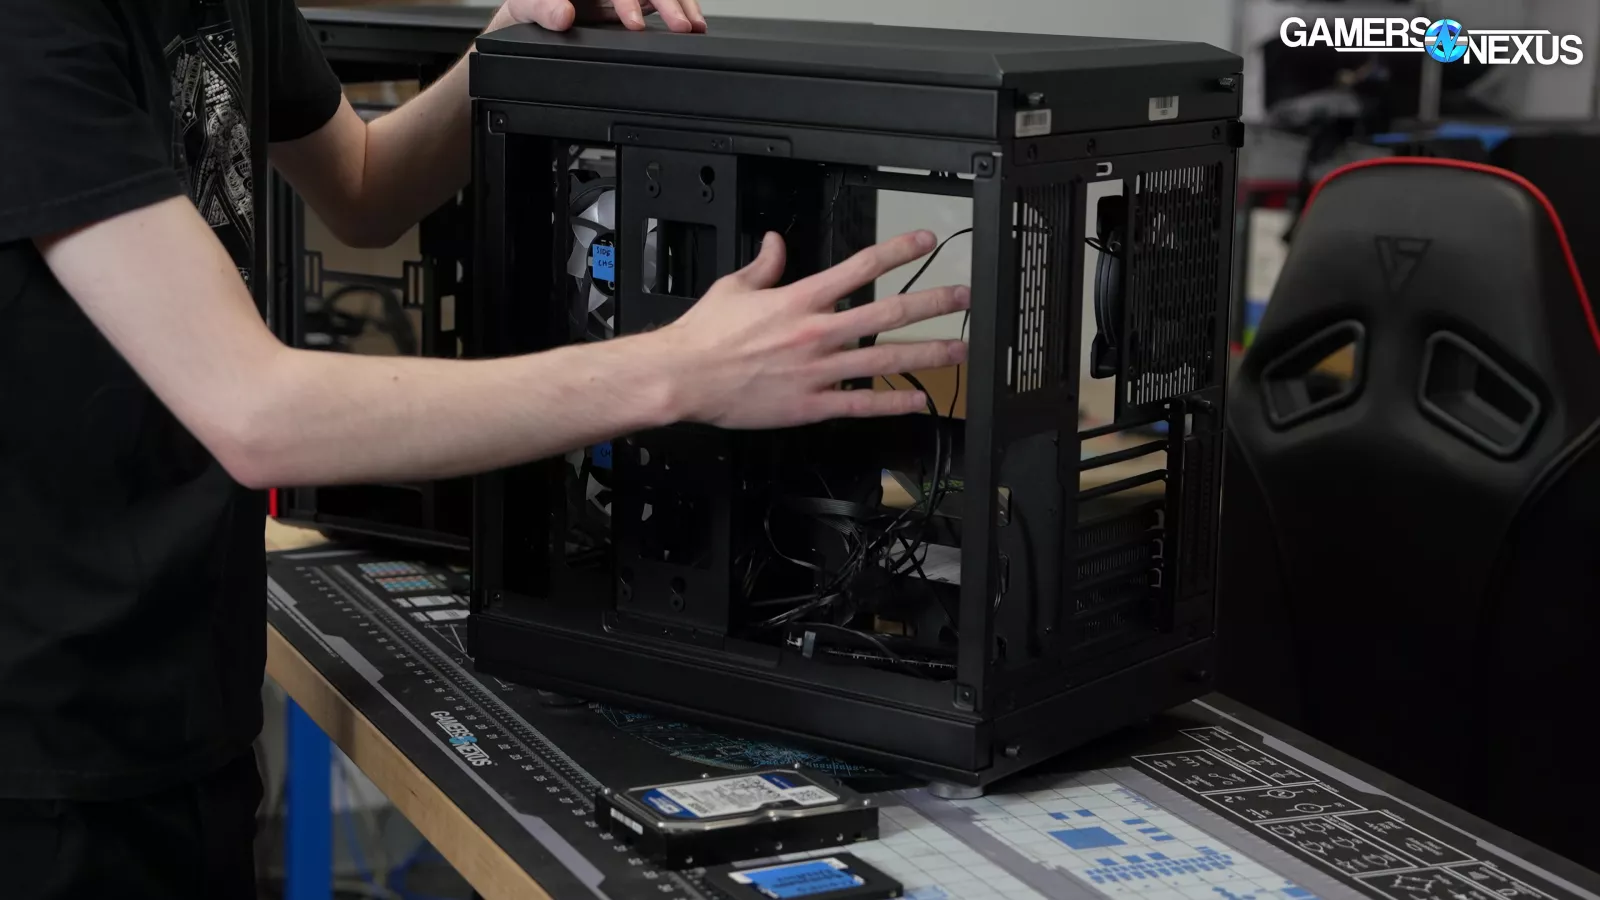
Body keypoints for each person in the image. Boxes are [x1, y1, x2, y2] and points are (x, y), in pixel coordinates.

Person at [0, 0, 968, 895]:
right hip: (44, 740)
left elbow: (364, 187)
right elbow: (257, 414)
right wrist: (680, 370)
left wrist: (507, 43)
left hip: (181, 684)